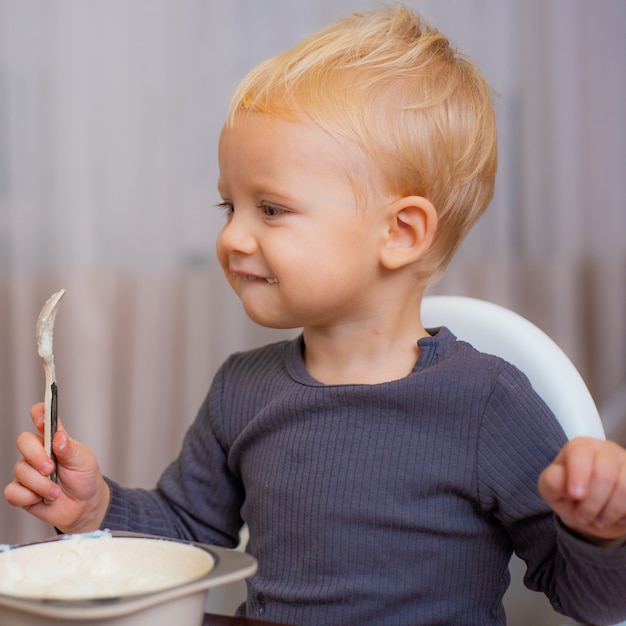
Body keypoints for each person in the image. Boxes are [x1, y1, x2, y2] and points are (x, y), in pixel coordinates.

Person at [5, 5, 626, 625]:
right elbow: (188, 539)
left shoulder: (488, 402)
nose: (233, 238)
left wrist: (599, 534)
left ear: (400, 232)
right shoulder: (240, 390)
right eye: (230, 206)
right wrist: (95, 510)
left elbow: (595, 602)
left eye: (271, 209)